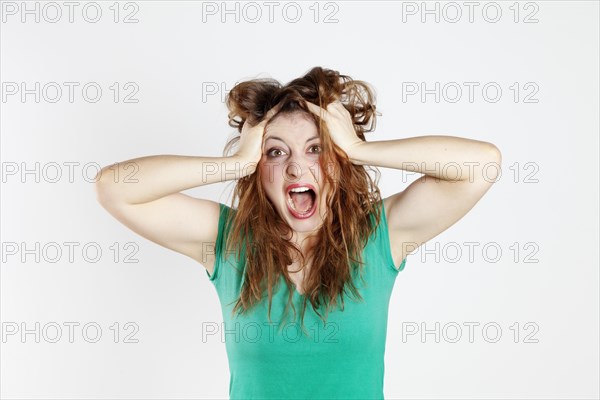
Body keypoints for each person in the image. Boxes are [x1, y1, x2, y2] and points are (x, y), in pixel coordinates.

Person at [95, 66, 501, 399]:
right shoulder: (226, 241)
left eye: (315, 148)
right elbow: (114, 188)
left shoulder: (381, 236)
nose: (295, 168)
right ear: (260, 166)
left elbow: (482, 164)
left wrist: (357, 150)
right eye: (275, 151)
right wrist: (235, 163)